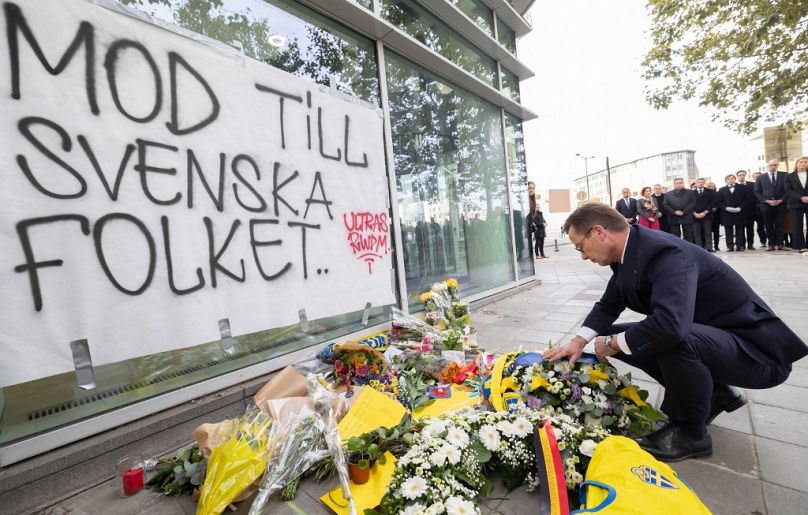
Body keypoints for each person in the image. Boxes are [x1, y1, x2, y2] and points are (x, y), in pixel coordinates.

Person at [543, 203, 807, 462]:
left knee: (668, 337)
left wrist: (613, 343)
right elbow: (610, 304)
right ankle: (714, 393)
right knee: (612, 335)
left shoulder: (665, 253)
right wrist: (578, 342)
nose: (583, 256)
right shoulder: (630, 251)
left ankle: (691, 434)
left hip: (759, 354)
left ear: (599, 232)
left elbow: (670, 326)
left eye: (580, 247)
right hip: (722, 341)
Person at [754, 159, 788, 250]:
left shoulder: (785, 175)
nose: (773, 166)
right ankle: (771, 244)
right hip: (766, 205)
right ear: (767, 166)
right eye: (771, 165)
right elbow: (757, 192)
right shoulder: (760, 177)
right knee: (768, 225)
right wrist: (766, 201)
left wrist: (781, 200)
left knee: (780, 224)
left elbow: (788, 190)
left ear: (778, 165)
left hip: (780, 204)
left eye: (775, 165)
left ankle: (780, 244)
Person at [785, 156, 808, 254]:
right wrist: (801, 197)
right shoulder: (789, 176)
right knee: (797, 225)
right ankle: (800, 246)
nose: (803, 163)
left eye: (805, 162)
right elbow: (788, 190)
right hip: (795, 203)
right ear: (797, 164)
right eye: (801, 162)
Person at [718, 174, 747, 252]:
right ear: (726, 181)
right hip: (727, 213)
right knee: (728, 231)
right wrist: (726, 208)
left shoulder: (742, 187)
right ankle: (729, 246)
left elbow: (746, 200)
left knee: (740, 230)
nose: (730, 180)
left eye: (732, 178)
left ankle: (739, 246)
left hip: (739, 212)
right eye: (728, 179)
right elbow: (719, 202)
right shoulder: (721, 189)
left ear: (735, 179)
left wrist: (740, 208)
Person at [663, 178, 695, 242]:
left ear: (683, 183)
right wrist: (674, 212)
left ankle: (688, 250)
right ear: (674, 184)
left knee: (688, 236)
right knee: (675, 237)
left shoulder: (690, 192)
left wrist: (684, 212)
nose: (678, 184)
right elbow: (665, 205)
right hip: (673, 217)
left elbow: (692, 203)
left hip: (686, 216)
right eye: (676, 183)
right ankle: (678, 250)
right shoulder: (668, 194)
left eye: (680, 183)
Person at [692, 178, 716, 252]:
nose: (701, 183)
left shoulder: (709, 191)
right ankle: (698, 248)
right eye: (699, 182)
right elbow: (689, 203)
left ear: (704, 183)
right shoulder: (691, 192)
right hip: (695, 216)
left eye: (702, 182)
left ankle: (709, 247)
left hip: (707, 215)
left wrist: (705, 212)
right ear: (696, 183)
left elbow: (712, 203)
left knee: (708, 232)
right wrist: (694, 213)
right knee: (697, 233)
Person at [736, 170, 757, 249]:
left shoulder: (752, 184)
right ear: (737, 176)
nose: (742, 176)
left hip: (750, 210)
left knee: (750, 228)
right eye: (740, 175)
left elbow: (755, 196)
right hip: (739, 211)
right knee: (740, 229)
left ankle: (750, 244)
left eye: (743, 175)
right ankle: (742, 244)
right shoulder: (735, 186)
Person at [528, 181, 548, 259]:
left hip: (542, 230)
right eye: (529, 188)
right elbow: (535, 221)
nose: (532, 190)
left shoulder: (540, 213)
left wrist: (545, 223)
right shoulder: (529, 204)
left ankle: (542, 254)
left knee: (542, 243)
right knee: (537, 243)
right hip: (537, 231)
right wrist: (542, 224)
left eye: (533, 188)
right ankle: (537, 255)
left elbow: (544, 220)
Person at [706, 182, 721, 251]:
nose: (710, 187)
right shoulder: (705, 194)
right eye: (709, 186)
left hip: (716, 215)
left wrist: (716, 207)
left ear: (715, 186)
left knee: (716, 232)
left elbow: (720, 202)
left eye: (712, 185)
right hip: (707, 215)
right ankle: (709, 246)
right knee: (707, 232)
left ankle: (716, 246)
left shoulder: (718, 193)